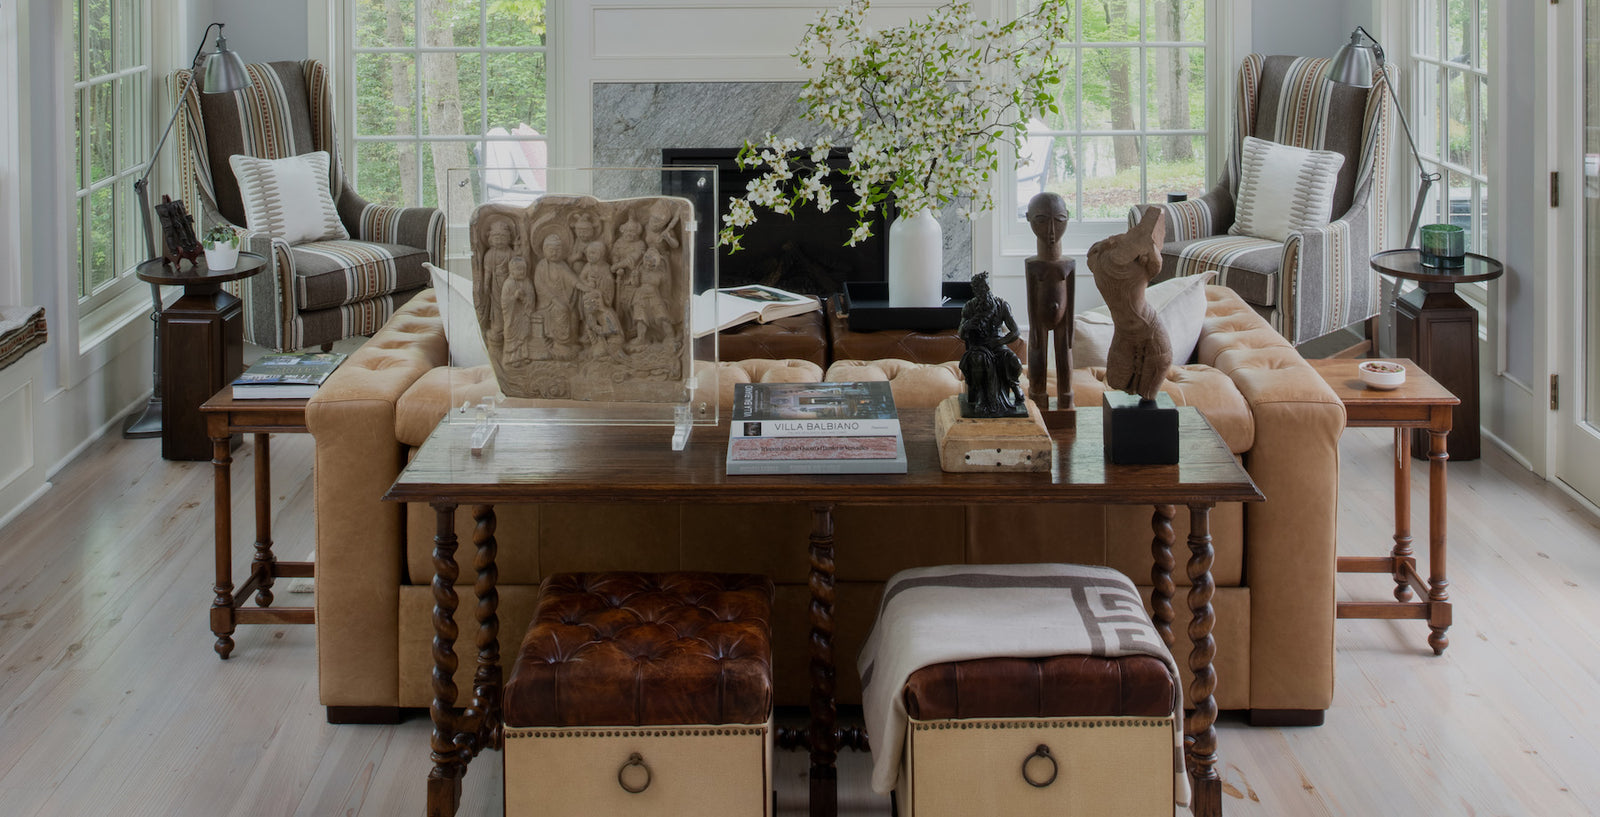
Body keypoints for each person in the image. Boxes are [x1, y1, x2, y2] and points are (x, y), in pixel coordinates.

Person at [1086, 207, 1171, 402]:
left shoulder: (1144, 264)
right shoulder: (1098, 258)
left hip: (1152, 334)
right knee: (1116, 383)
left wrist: (1148, 246)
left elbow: (1155, 261)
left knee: (1148, 397)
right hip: (1123, 335)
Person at [1024, 192, 1074, 411]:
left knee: (1065, 357)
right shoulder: (1033, 265)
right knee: (1037, 357)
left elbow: (1070, 300)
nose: (1052, 231)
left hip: (1063, 323)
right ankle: (1037, 397)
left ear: (1067, 217)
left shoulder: (1068, 264)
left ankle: (1066, 397)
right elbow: (1030, 300)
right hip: (1039, 322)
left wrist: (1070, 330)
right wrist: (1034, 330)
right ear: (1029, 218)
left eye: (1059, 221)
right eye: (1042, 221)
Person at [957, 271, 1025, 417]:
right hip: (978, 346)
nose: (987, 289)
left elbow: (1016, 332)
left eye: (987, 286)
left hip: (997, 345)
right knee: (978, 359)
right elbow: (961, 334)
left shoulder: (1001, 305)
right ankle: (981, 395)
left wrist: (1000, 341)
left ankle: (1015, 385)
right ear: (976, 290)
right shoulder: (969, 307)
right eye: (983, 287)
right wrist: (969, 324)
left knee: (1014, 362)